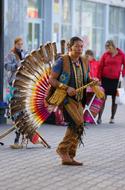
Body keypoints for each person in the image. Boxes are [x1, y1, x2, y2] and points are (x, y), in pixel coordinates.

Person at [48, 36, 95, 166]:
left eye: (81, 46)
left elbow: (87, 79)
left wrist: (93, 81)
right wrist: (66, 87)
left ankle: (69, 156)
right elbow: (51, 79)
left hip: (79, 99)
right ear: (70, 47)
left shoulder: (84, 61)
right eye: (77, 46)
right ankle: (62, 150)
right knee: (77, 123)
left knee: (78, 126)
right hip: (65, 98)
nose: (80, 49)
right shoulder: (62, 61)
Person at [97, 40, 125, 124]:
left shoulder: (121, 55)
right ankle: (99, 118)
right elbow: (100, 66)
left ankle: (112, 118)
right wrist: (99, 78)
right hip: (105, 79)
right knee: (102, 98)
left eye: (109, 48)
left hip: (116, 81)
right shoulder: (105, 55)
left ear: (114, 47)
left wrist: (122, 74)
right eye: (106, 48)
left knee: (115, 99)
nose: (107, 50)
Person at [4, 37, 28, 145]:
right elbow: (6, 66)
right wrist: (16, 65)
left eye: (21, 44)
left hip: (22, 84)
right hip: (13, 84)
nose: (20, 46)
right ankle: (17, 134)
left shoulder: (24, 53)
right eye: (19, 44)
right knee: (15, 110)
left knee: (22, 110)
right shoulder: (10, 54)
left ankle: (20, 134)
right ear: (15, 44)